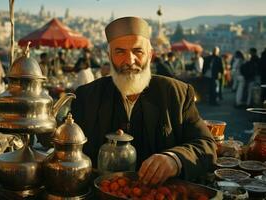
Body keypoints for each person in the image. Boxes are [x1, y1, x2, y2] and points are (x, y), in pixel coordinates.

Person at [71, 16, 217, 184]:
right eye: (120, 52)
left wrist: (174, 159)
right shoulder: (87, 96)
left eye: (137, 51)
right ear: (109, 55)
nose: (130, 61)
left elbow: (206, 145)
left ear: (150, 54)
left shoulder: (176, 93)